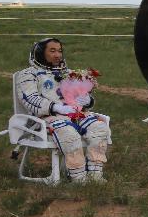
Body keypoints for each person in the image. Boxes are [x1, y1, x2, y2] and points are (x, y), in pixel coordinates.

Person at [16, 38, 110, 183]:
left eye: (59, 51)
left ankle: (95, 174)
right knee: (69, 134)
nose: (58, 55)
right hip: (47, 118)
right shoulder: (29, 74)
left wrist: (86, 100)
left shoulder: (69, 73)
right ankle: (78, 177)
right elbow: (30, 99)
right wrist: (56, 107)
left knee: (99, 127)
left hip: (75, 114)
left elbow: (81, 95)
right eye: (52, 51)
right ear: (40, 53)